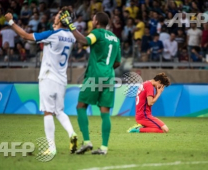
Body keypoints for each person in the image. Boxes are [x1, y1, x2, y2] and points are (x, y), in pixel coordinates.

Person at [4, 6, 78, 156]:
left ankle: (51, 147)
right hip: (62, 79)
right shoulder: (71, 36)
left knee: (48, 112)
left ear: (62, 18)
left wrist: (11, 22)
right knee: (59, 111)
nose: (55, 16)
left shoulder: (53, 34)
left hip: (48, 77)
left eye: (58, 15)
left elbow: (25, 36)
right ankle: (72, 133)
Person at [60, 11, 121, 155]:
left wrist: (70, 25)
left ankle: (87, 142)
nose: (92, 21)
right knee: (105, 111)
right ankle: (104, 148)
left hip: (94, 76)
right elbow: (117, 62)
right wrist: (106, 69)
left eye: (93, 19)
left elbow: (84, 41)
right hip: (109, 77)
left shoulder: (97, 33)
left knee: (81, 106)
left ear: (97, 22)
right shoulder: (115, 38)